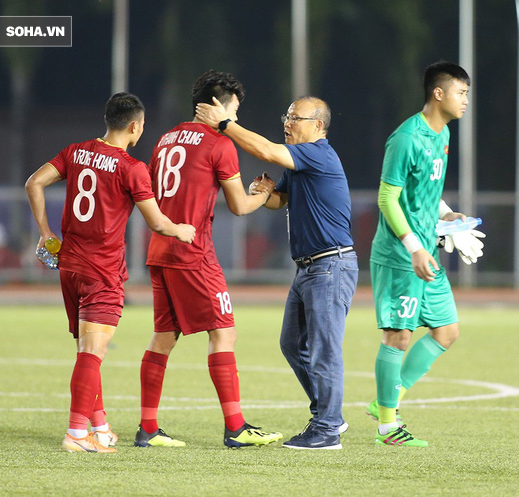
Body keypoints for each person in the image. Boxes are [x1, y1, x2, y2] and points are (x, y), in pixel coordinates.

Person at [25, 92, 196, 454]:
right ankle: (75, 433)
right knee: (92, 353)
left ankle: (99, 427)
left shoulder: (75, 151)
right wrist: (181, 229)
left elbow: (34, 183)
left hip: (69, 266)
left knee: (89, 349)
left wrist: (45, 232)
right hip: (101, 270)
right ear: (135, 126)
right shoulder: (131, 168)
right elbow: (157, 223)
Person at [196, 94, 358, 450]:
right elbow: (279, 200)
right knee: (292, 344)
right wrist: (265, 192)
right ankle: (329, 414)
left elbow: (267, 150)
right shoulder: (301, 161)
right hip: (311, 268)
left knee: (324, 350)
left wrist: (225, 124)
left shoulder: (317, 152)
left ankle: (328, 428)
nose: (287, 122)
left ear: (317, 126)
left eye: (295, 118)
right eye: (286, 115)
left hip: (330, 265)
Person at [135, 70, 282, 449]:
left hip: (160, 249)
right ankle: (236, 428)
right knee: (223, 332)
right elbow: (238, 206)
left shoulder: (165, 139)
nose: (237, 116)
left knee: (163, 337)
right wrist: (264, 194)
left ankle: (148, 429)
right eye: (235, 107)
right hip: (194, 252)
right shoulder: (219, 143)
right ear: (219, 106)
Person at [366, 61, 485, 447]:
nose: (466, 99)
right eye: (461, 92)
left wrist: (447, 214)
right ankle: (388, 425)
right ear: (439, 94)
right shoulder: (406, 138)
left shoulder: (443, 132)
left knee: (447, 331)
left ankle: (388, 399)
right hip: (402, 255)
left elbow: (425, 192)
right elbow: (387, 197)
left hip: (424, 252)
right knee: (397, 337)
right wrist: (414, 247)